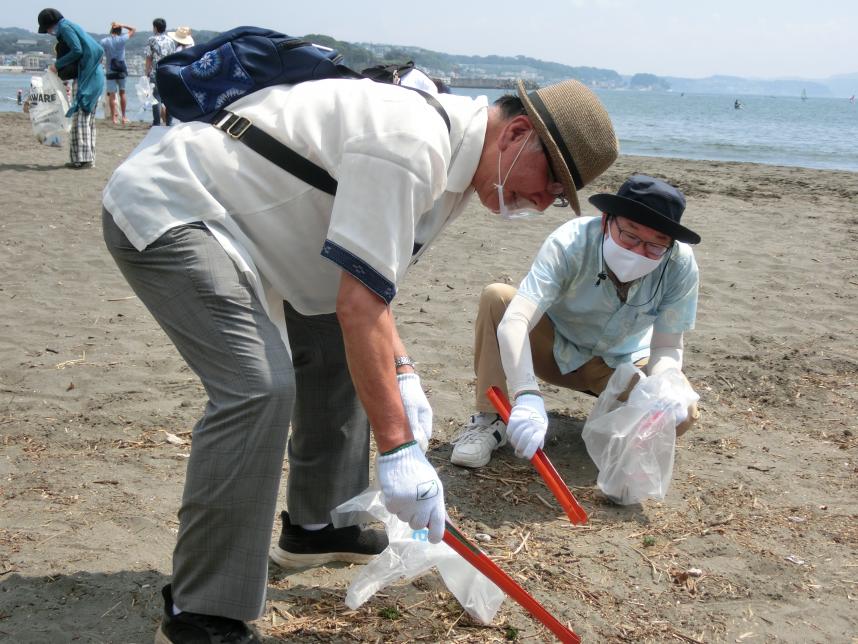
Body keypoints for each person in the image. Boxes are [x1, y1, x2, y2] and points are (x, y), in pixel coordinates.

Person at [101, 77, 618, 642]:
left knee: (337, 350)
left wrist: (402, 372)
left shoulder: (456, 167)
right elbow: (361, 304)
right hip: (178, 205)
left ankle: (320, 526)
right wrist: (398, 450)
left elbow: (369, 283)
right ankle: (201, 612)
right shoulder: (412, 143)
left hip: (263, 236)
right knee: (258, 389)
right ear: (517, 133)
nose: (544, 203)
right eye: (550, 183)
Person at [450, 175, 701, 468]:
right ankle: (490, 419)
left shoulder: (679, 264)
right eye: (630, 236)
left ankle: (617, 430)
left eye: (654, 246)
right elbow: (516, 319)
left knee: (683, 411)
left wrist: (663, 384)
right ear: (607, 219)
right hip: (553, 348)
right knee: (498, 298)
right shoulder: (571, 242)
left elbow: (668, 346)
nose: (638, 252)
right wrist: (526, 394)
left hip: (618, 365)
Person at [38, 8, 105, 169]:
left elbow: (77, 50)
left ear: (50, 25)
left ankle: (83, 159)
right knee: (87, 120)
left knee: (80, 119)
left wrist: (57, 65)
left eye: (47, 29)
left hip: (87, 79)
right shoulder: (71, 26)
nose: (49, 32)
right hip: (94, 76)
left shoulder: (65, 28)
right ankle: (85, 158)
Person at [100, 21, 136, 125]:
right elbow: (133, 30)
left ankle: (114, 118)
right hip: (121, 69)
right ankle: (124, 116)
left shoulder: (104, 41)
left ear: (111, 30)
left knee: (112, 95)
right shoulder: (122, 39)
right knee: (122, 93)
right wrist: (123, 25)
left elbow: (100, 55)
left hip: (110, 69)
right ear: (119, 30)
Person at [144, 17, 175, 126]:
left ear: (155, 27)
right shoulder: (171, 40)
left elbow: (149, 58)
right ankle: (169, 122)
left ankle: (156, 122)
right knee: (168, 98)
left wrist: (146, 73)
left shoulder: (151, 40)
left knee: (156, 98)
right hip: (169, 72)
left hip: (156, 72)